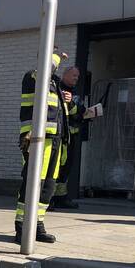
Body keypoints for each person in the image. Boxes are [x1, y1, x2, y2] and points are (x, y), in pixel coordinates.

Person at [15, 51, 68, 243]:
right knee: (33, 183)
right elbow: (46, 69)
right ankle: (22, 227)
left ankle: (37, 224)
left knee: (48, 186)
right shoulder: (33, 76)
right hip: (37, 140)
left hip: (55, 140)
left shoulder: (55, 82)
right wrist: (56, 55)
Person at [51, 65, 83, 210]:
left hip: (72, 137)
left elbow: (79, 112)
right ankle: (49, 198)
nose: (76, 78)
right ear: (65, 75)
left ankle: (61, 197)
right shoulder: (57, 89)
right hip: (60, 136)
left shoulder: (75, 93)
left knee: (67, 167)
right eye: (74, 75)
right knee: (56, 166)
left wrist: (86, 113)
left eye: (78, 76)